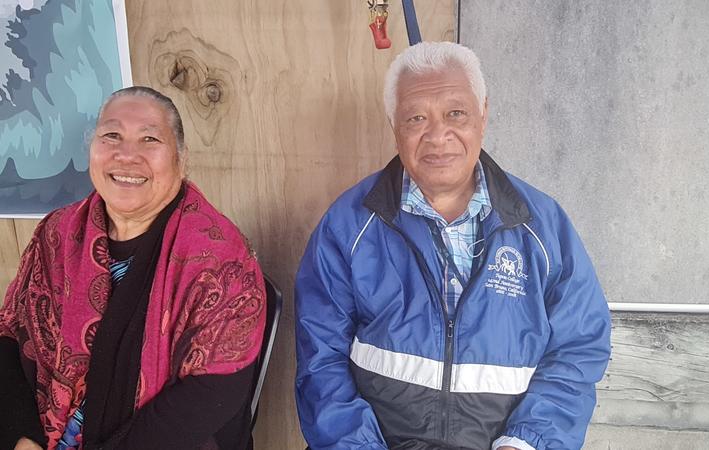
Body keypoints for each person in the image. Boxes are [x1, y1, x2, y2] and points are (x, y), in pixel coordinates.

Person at [295, 42, 611, 450]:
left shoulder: (542, 228)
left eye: (455, 113)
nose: (438, 135)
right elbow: (320, 362)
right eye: (416, 118)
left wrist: (526, 443)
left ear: (484, 113)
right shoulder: (349, 225)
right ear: (394, 126)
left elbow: (578, 348)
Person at [0, 86, 266, 450]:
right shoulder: (57, 233)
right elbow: (9, 335)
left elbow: (211, 393)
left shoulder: (220, 258)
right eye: (112, 135)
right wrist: (21, 438)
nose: (126, 155)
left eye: (149, 139)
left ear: (181, 159)